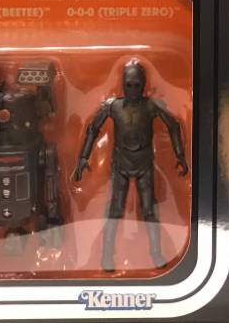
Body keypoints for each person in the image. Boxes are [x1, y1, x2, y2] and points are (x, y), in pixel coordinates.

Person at [74, 59, 188, 272]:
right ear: (123, 85)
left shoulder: (151, 105)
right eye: (129, 85)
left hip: (144, 162)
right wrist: (83, 158)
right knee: (115, 210)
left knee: (149, 211)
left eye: (137, 85)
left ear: (143, 85)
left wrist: (180, 155)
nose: (133, 90)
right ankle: (107, 255)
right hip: (121, 163)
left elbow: (173, 126)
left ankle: (156, 253)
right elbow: (92, 129)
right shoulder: (113, 106)